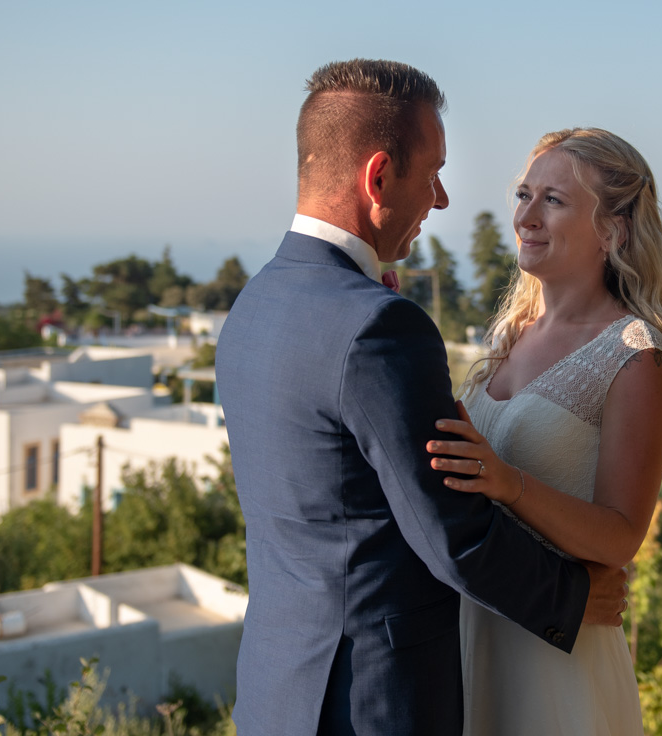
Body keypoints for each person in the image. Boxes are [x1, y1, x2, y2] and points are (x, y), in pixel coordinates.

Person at [216, 61, 628, 736]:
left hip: (276, 691)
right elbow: (453, 537)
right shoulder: (379, 326)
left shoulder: (256, 304)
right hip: (374, 700)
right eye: (432, 172)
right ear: (379, 178)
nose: (440, 198)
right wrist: (575, 597)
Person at [426, 127, 662, 734]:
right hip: (470, 634)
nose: (526, 215)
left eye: (554, 200)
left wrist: (509, 483)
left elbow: (622, 537)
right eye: (524, 195)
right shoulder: (508, 334)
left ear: (613, 230)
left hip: (556, 663)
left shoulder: (633, 354)